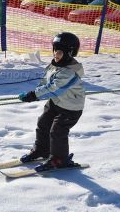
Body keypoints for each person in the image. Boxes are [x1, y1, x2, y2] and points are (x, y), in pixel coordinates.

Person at [18, 32, 85, 171]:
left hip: (70, 108)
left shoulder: (70, 72)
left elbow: (54, 88)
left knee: (57, 131)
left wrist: (34, 95)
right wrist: (34, 94)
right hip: (56, 102)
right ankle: (42, 150)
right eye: (54, 50)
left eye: (59, 52)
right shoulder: (54, 65)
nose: (55, 54)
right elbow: (45, 82)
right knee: (43, 122)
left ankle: (59, 159)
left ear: (69, 53)